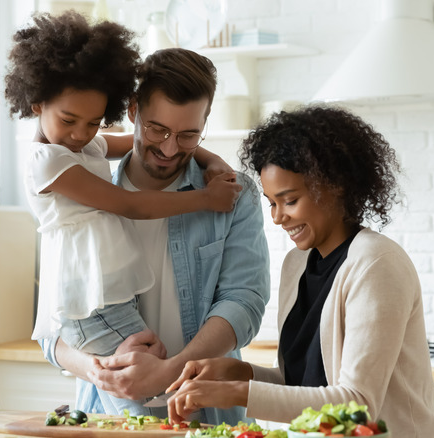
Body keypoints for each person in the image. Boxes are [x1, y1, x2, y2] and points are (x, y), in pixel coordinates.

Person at [4, 12, 243, 415]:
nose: (82, 133)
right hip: (88, 300)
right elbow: (129, 205)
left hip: (109, 298)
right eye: (69, 120)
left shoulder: (84, 145)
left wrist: (211, 157)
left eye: (94, 121)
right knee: (143, 395)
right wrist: (204, 199)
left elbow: (135, 143)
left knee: (146, 387)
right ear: (37, 102)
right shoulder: (47, 162)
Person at [164, 105, 434, 438]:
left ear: (336, 185)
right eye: (272, 202)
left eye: (290, 200)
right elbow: (301, 385)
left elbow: (356, 406)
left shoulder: (376, 264)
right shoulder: (297, 265)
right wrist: (238, 373)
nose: (277, 217)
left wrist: (237, 393)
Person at [39, 47, 270, 425]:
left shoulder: (232, 196)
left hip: (210, 416)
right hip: (105, 417)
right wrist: (98, 370)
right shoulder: (75, 195)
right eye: (157, 129)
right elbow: (52, 326)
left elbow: (244, 302)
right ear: (133, 112)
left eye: (188, 135)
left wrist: (171, 371)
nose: (168, 148)